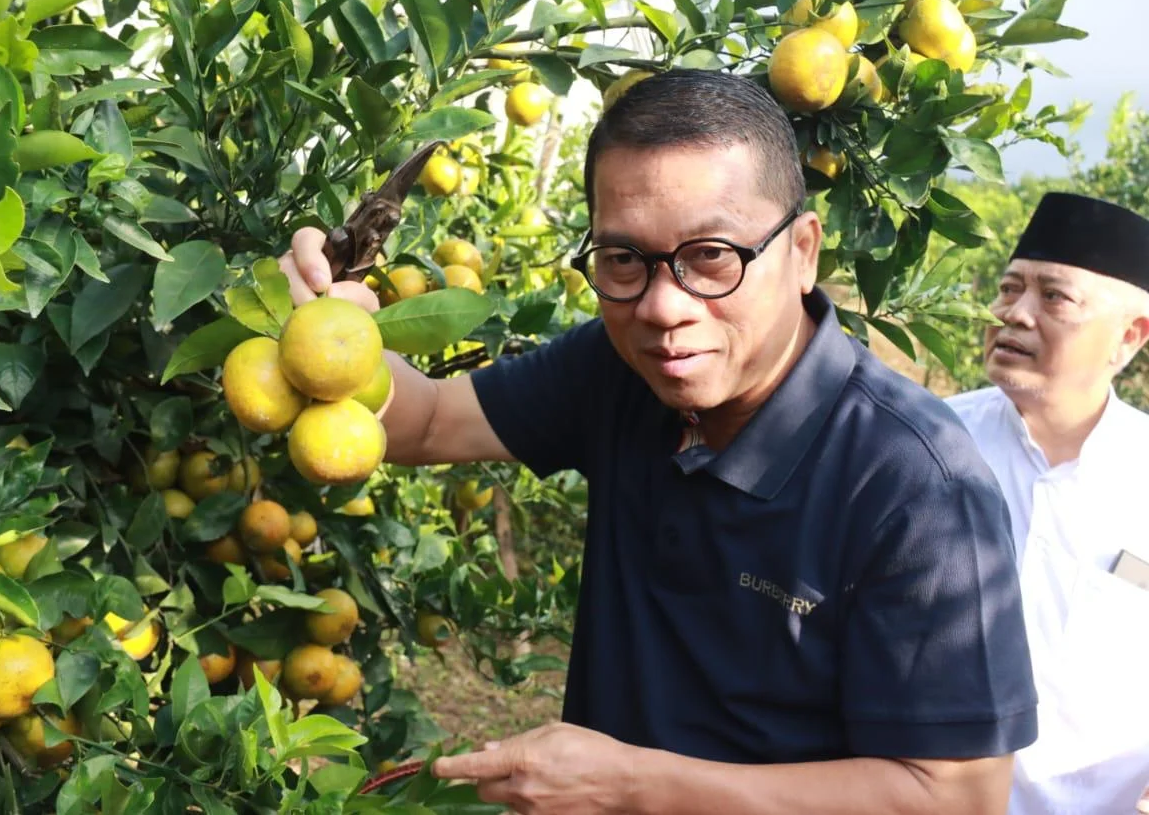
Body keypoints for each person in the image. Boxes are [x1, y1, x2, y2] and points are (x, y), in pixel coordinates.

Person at [280, 70, 1038, 814]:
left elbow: (959, 796)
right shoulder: (618, 370)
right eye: (624, 260)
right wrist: (330, 322)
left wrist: (633, 786)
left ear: (803, 251)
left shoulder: (917, 485)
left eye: (712, 255)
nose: (663, 306)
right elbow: (426, 419)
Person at [945, 192, 1149, 815]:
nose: (1015, 313)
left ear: (1130, 336)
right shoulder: (928, 446)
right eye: (1010, 290)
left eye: (1054, 296)